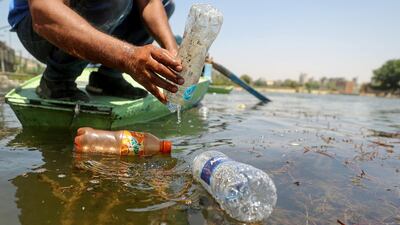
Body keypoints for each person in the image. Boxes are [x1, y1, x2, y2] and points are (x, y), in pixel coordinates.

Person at [8, 0, 184, 103]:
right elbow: (43, 12)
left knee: (164, 4)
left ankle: (108, 78)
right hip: (38, 27)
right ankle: (57, 79)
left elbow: (150, 4)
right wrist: (128, 57)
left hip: (98, 21)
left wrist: (174, 54)